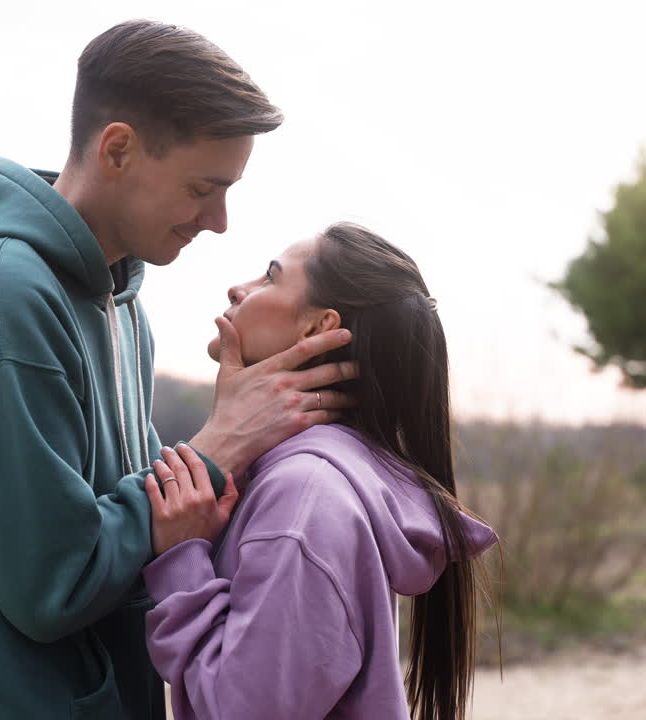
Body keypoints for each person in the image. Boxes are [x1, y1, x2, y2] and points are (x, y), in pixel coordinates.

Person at [0, 21, 355, 720]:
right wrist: (215, 449)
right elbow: (52, 583)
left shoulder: (120, 302)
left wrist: (232, 472)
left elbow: (112, 516)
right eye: (204, 186)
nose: (221, 220)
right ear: (118, 149)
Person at [139, 223, 498, 720]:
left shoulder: (304, 495)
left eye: (269, 276)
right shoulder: (316, 477)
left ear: (317, 327)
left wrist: (182, 557)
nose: (238, 289)